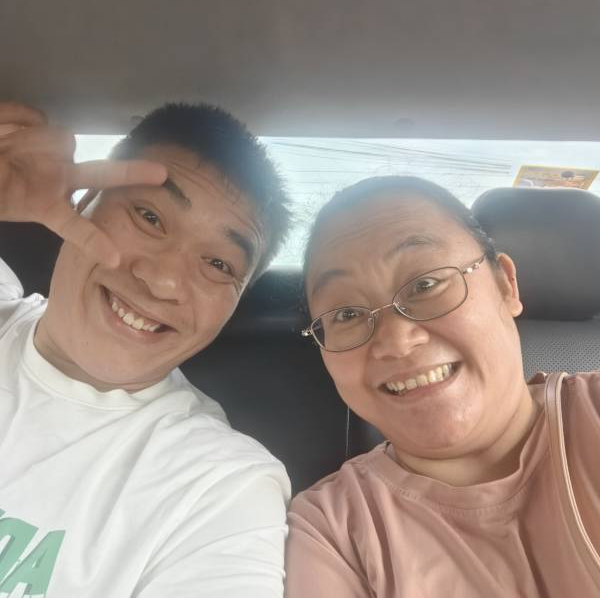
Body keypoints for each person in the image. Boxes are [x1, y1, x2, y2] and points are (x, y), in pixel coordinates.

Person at [0, 101, 292, 597]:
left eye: (219, 265)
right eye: (149, 216)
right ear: (84, 200)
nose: (163, 281)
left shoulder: (219, 489)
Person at [285, 176, 600, 597]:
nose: (397, 342)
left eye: (425, 285)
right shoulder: (330, 533)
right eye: (346, 314)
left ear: (506, 284)